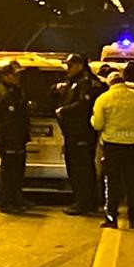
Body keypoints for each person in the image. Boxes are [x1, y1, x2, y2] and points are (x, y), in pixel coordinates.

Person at [92, 62, 134, 229]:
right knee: (132, 183)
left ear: (109, 83)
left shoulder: (103, 99)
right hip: (132, 146)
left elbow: (97, 124)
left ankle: (112, 218)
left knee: (113, 184)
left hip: (112, 147)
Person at [54, 53, 103, 216]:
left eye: (70, 66)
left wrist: (64, 110)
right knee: (79, 168)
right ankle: (86, 201)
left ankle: (83, 203)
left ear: (79, 65)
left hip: (81, 133)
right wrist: (56, 89)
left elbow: (83, 105)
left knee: (80, 169)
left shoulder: (85, 83)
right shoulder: (72, 82)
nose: (67, 69)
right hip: (73, 133)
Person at [0, 61, 31, 214]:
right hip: (9, 137)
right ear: (6, 76)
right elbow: (10, 119)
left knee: (17, 168)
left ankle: (16, 197)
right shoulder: (5, 93)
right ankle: (6, 201)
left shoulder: (14, 90)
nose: (18, 77)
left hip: (17, 136)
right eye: (16, 75)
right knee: (9, 170)